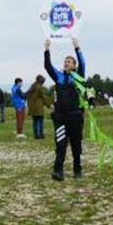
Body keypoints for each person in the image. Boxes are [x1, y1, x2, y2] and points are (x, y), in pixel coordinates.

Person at [44, 37, 86, 181]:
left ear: (74, 66)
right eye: (65, 61)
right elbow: (48, 67)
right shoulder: (59, 77)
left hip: (75, 116)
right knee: (60, 144)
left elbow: (83, 64)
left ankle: (77, 169)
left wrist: (77, 47)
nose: (66, 63)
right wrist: (47, 50)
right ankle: (58, 171)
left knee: (76, 145)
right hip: (60, 117)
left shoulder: (78, 77)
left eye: (69, 62)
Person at [26, 75, 48, 140]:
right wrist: (48, 105)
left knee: (35, 121)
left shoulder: (32, 87)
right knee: (40, 121)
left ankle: (36, 135)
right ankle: (41, 134)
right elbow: (44, 97)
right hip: (39, 107)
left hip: (32, 106)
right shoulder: (39, 87)